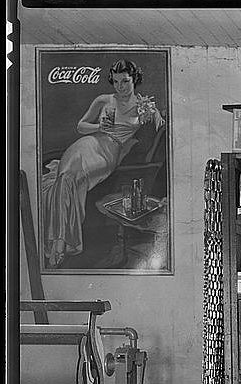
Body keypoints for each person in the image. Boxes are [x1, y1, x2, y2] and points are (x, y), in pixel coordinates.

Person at [42, 59, 165, 267]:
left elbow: (161, 126)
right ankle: (59, 241)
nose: (120, 86)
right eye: (116, 82)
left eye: (125, 81)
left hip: (108, 154)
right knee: (65, 178)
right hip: (87, 143)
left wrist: (154, 113)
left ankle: (61, 242)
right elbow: (81, 126)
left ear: (134, 79)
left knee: (75, 180)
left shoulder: (144, 107)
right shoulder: (103, 100)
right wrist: (99, 127)